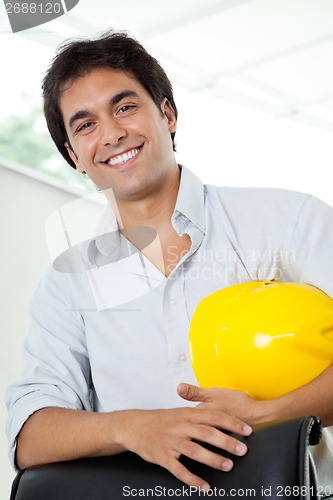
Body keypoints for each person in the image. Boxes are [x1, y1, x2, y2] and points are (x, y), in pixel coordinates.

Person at [5, 29, 333, 492]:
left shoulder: (288, 220)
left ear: (167, 113)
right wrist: (134, 427)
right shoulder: (67, 284)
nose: (113, 134)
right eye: (85, 125)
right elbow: (30, 434)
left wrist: (270, 415)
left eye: (125, 107)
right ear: (73, 156)